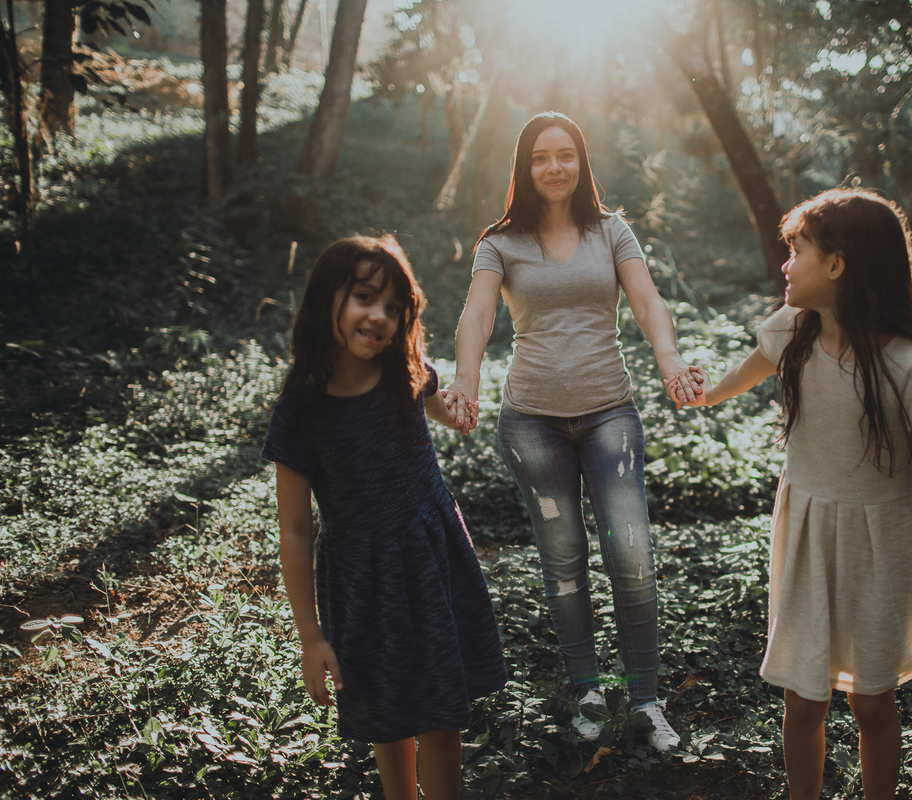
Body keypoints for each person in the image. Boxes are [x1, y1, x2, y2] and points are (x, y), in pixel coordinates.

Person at [682, 188, 912, 799]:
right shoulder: (795, 332)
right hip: (805, 538)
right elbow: (741, 375)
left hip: (878, 551)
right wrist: (702, 393)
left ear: (838, 264)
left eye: (796, 249)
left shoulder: (907, 366)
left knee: (873, 706)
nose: (785, 264)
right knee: (803, 701)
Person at [442, 111, 700, 751]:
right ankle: (587, 688)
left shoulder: (610, 231)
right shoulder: (500, 242)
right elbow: (476, 317)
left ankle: (644, 700)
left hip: (610, 412)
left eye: (565, 154)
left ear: (581, 162)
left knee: (632, 557)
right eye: (540, 157)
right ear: (524, 168)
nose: (554, 166)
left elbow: (647, 302)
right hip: (532, 422)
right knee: (564, 559)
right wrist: (465, 383)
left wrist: (671, 364)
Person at [263, 236, 506, 800]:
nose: (379, 316)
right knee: (389, 718)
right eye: (365, 297)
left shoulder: (406, 370)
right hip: (365, 581)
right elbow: (295, 530)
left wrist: (461, 412)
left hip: (431, 557)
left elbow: (441, 407)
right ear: (328, 299)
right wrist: (310, 636)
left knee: (443, 716)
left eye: (394, 307)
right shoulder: (302, 409)